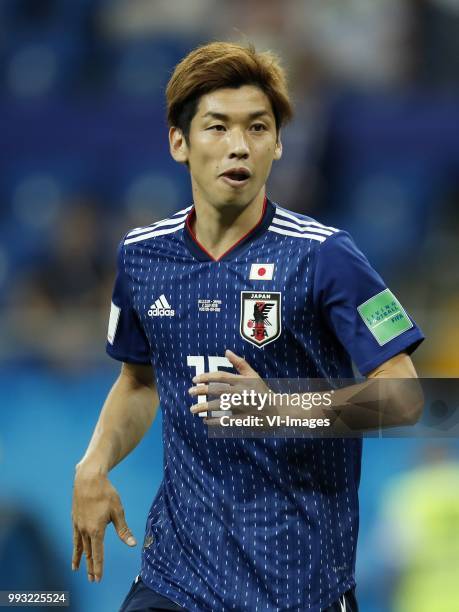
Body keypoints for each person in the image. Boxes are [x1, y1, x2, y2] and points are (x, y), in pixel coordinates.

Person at [72, 42, 425, 611]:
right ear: (178, 142)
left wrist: (283, 406)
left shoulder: (327, 256)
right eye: (217, 127)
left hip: (297, 585)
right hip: (175, 580)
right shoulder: (142, 257)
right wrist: (94, 463)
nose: (239, 145)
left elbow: (407, 398)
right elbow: (139, 382)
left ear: (278, 144)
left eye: (257, 127)